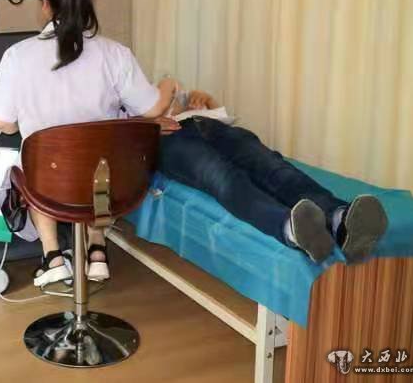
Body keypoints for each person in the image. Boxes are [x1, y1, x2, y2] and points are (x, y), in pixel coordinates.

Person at [0, 0, 176, 288]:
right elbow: (152, 109)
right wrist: (169, 84)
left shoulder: (18, 55)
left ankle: (53, 258)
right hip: (108, 181)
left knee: (33, 162)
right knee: (99, 160)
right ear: (91, 0)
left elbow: (2, 123)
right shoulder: (115, 54)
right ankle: (97, 250)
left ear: (45, 4)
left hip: (48, 186)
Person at [154, 86, 388, 264]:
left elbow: (204, 106)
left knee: (271, 165)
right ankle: (291, 228)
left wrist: (205, 100)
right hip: (166, 140)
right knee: (223, 176)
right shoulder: (137, 94)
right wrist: (148, 121)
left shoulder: (158, 89)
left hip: (208, 124)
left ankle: (340, 220)